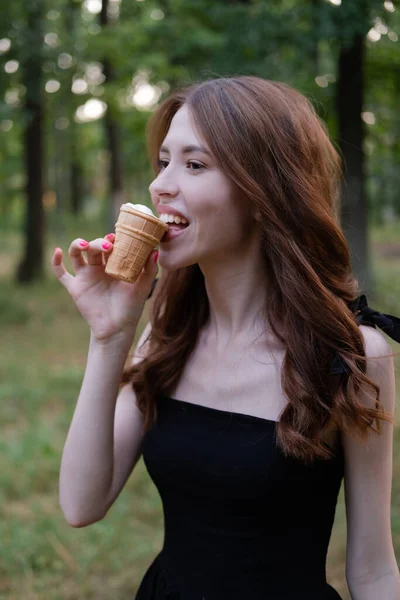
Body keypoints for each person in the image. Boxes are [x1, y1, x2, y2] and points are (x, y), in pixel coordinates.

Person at [52, 76, 400, 600]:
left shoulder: (352, 357)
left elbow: (373, 569)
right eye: (163, 161)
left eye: (194, 165)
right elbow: (82, 504)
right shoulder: (165, 338)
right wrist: (110, 337)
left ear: (264, 193)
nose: (161, 184)